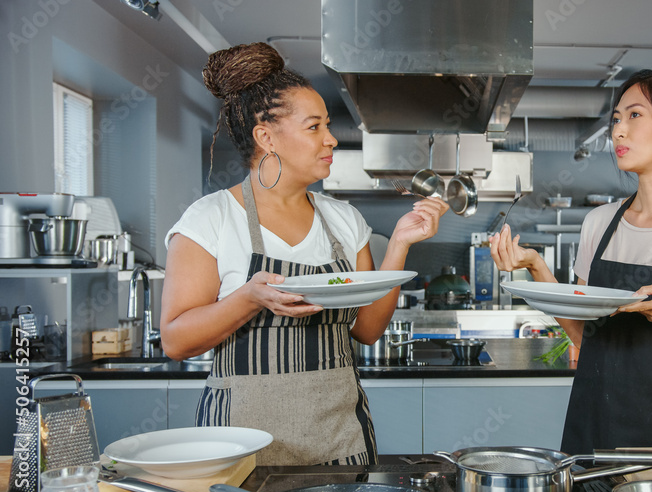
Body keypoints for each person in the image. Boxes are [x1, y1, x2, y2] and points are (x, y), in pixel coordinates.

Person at [160, 43, 449, 466]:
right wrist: (248, 297)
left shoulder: (344, 220)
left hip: (340, 438)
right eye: (314, 127)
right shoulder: (211, 218)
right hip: (241, 445)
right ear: (266, 137)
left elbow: (367, 330)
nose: (331, 138)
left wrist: (401, 243)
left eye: (327, 125)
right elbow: (175, 340)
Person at [490, 69, 652, 453]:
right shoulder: (599, 223)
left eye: (634, 116)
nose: (618, 131)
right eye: (616, 119)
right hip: (591, 424)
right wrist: (536, 268)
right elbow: (585, 339)